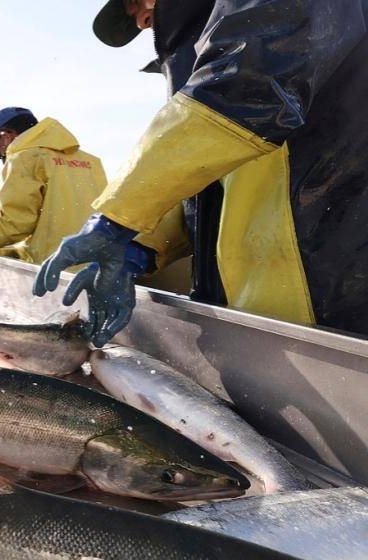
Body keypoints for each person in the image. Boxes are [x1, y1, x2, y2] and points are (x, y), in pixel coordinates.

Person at [34, 0, 368, 345]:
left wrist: (115, 219)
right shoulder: (202, 58)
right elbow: (209, 186)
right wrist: (137, 248)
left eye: (135, 2)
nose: (140, 21)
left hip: (336, 302)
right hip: (264, 315)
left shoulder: (228, 68)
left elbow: (242, 91)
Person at [0, 107, 116, 267]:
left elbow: (15, 224)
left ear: (5, 137)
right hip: (99, 266)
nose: (4, 157)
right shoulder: (91, 162)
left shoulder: (24, 157)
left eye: (1, 150)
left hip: (56, 267)